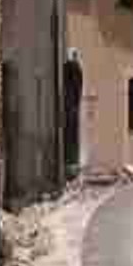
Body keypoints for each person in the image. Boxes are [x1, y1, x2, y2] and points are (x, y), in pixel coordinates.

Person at [63, 48, 84, 178]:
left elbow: (75, 86)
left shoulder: (71, 67)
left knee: (70, 135)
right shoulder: (76, 68)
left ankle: (70, 167)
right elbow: (78, 87)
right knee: (72, 135)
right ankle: (71, 167)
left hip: (70, 105)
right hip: (72, 105)